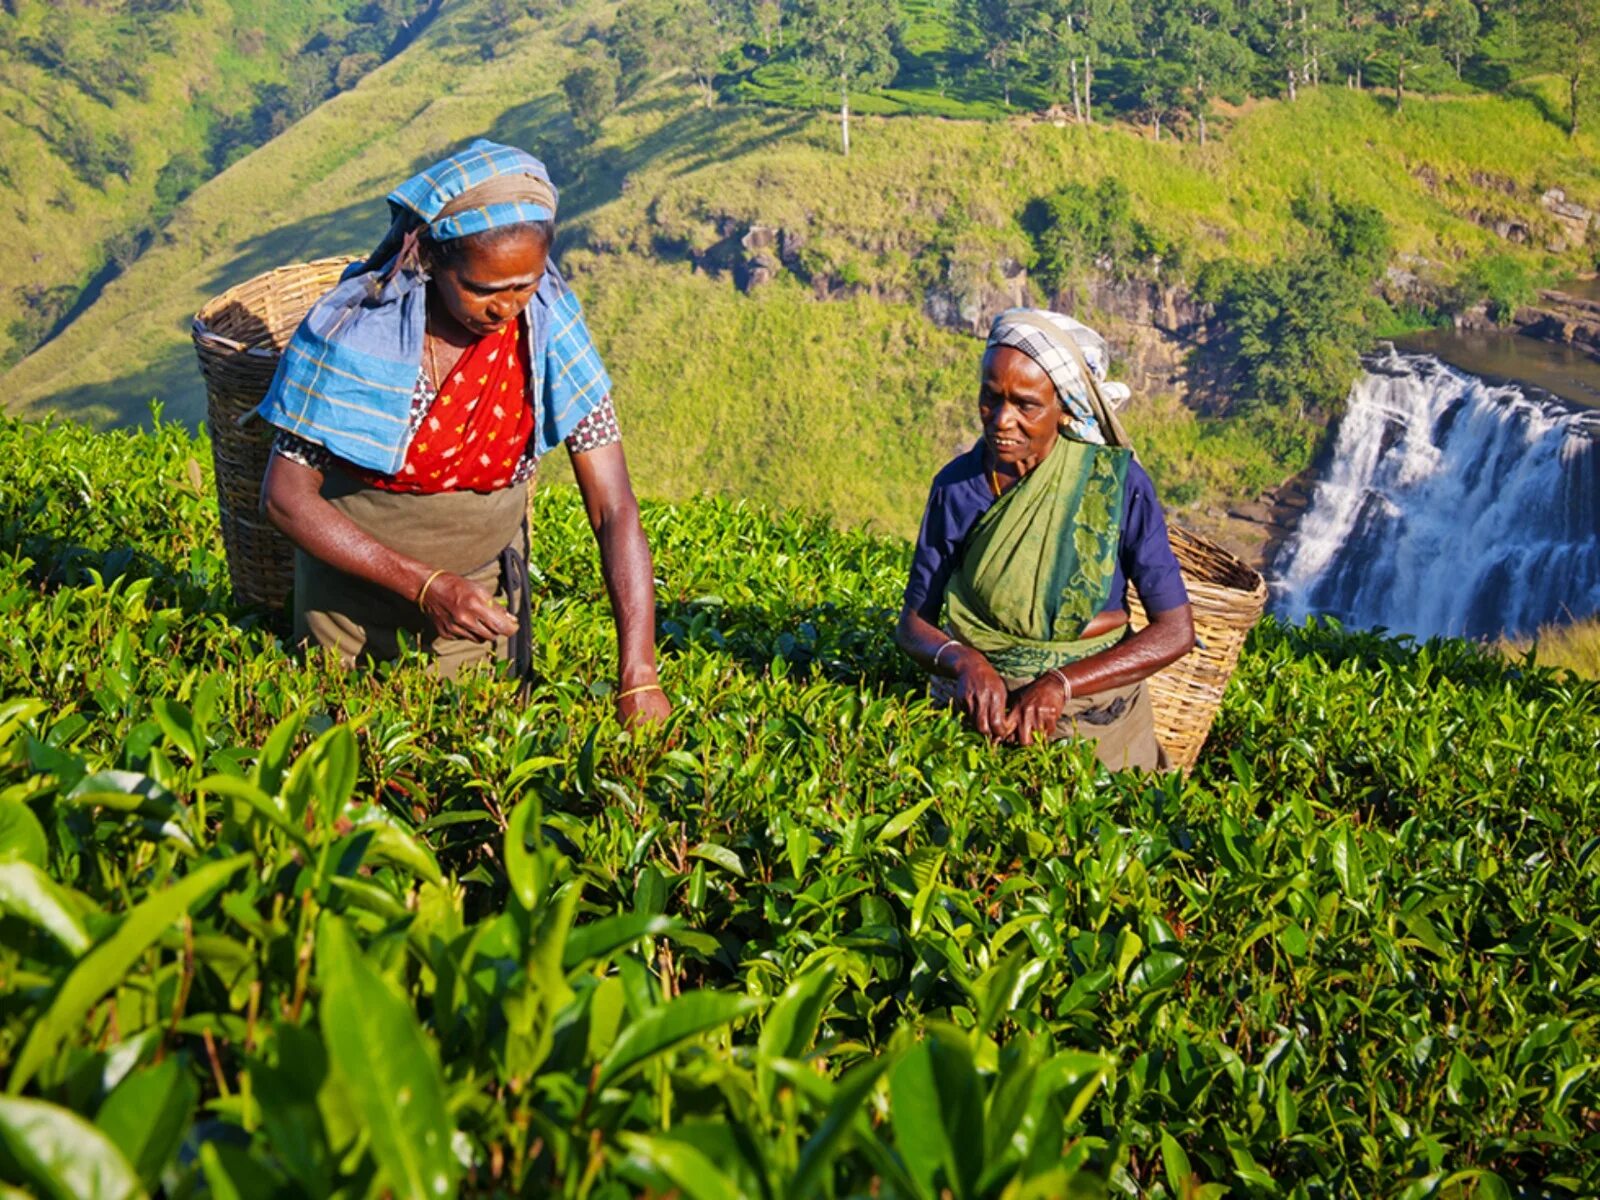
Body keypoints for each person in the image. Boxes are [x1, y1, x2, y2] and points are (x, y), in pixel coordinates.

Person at [257, 139, 671, 727]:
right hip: (347, 611)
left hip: (477, 606)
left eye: (524, 284)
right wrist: (424, 585)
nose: (505, 309)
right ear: (429, 260)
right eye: (482, 289)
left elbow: (614, 508)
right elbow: (284, 497)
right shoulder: (357, 336)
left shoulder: (550, 333)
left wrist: (638, 675)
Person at [896, 309, 1194, 770]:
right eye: (989, 399)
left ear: (1065, 409)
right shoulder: (957, 488)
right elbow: (914, 626)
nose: (1000, 420)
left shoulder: (1115, 486)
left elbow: (1175, 632)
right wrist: (966, 664)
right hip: (980, 717)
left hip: (1095, 718)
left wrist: (1061, 683)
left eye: (1025, 404)